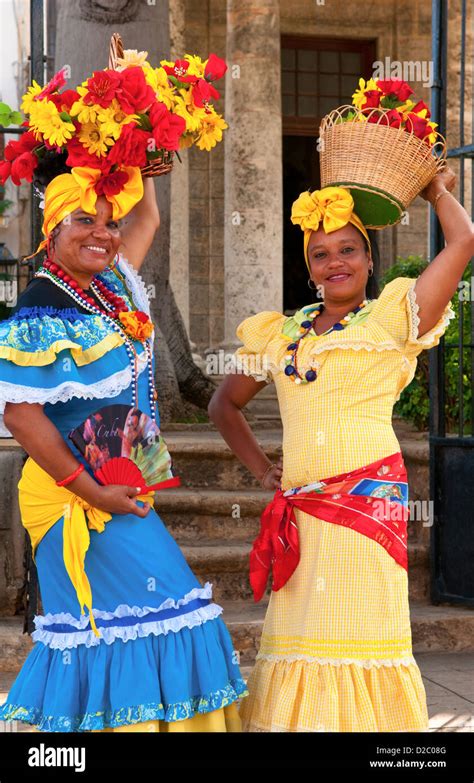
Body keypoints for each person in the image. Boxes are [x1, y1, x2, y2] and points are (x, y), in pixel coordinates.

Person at [208, 168, 474, 732]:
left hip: (365, 510)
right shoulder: (282, 333)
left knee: (362, 634)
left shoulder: (391, 319)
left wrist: (435, 191)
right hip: (302, 514)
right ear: (309, 271)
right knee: (302, 637)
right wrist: (262, 470)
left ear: (370, 257)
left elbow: (463, 242)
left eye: (348, 249)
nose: (337, 263)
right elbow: (223, 407)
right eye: (321, 255)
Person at [0, 165, 247, 732]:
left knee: (127, 623)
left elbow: (149, 216)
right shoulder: (44, 305)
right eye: (84, 220)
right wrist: (95, 492)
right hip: (75, 494)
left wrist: (145, 152)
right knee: (165, 613)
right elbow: (21, 416)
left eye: (109, 224)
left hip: (117, 485)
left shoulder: (109, 287)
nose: (103, 234)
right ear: (51, 230)